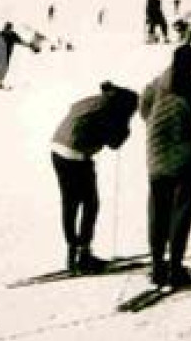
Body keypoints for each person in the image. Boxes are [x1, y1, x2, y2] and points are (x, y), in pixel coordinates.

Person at [138, 45, 191, 286]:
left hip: (156, 158)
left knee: (158, 212)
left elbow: (144, 109)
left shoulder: (155, 86)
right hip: (189, 160)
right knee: (182, 213)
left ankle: (158, 266)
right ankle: (175, 267)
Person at [50, 83, 139, 272]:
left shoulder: (95, 100)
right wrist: (124, 128)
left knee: (70, 203)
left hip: (57, 148)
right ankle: (83, 255)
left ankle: (73, 251)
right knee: (90, 204)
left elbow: (75, 110)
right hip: (76, 154)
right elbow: (114, 142)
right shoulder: (111, 111)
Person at [0, 22, 39, 88]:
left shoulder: (12, 35)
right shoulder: (1, 34)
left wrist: (29, 45)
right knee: (4, 67)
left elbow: (21, 41)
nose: (7, 30)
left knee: (4, 67)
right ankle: (0, 82)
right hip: (1, 53)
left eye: (8, 29)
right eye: (7, 29)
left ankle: (0, 81)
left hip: (7, 54)